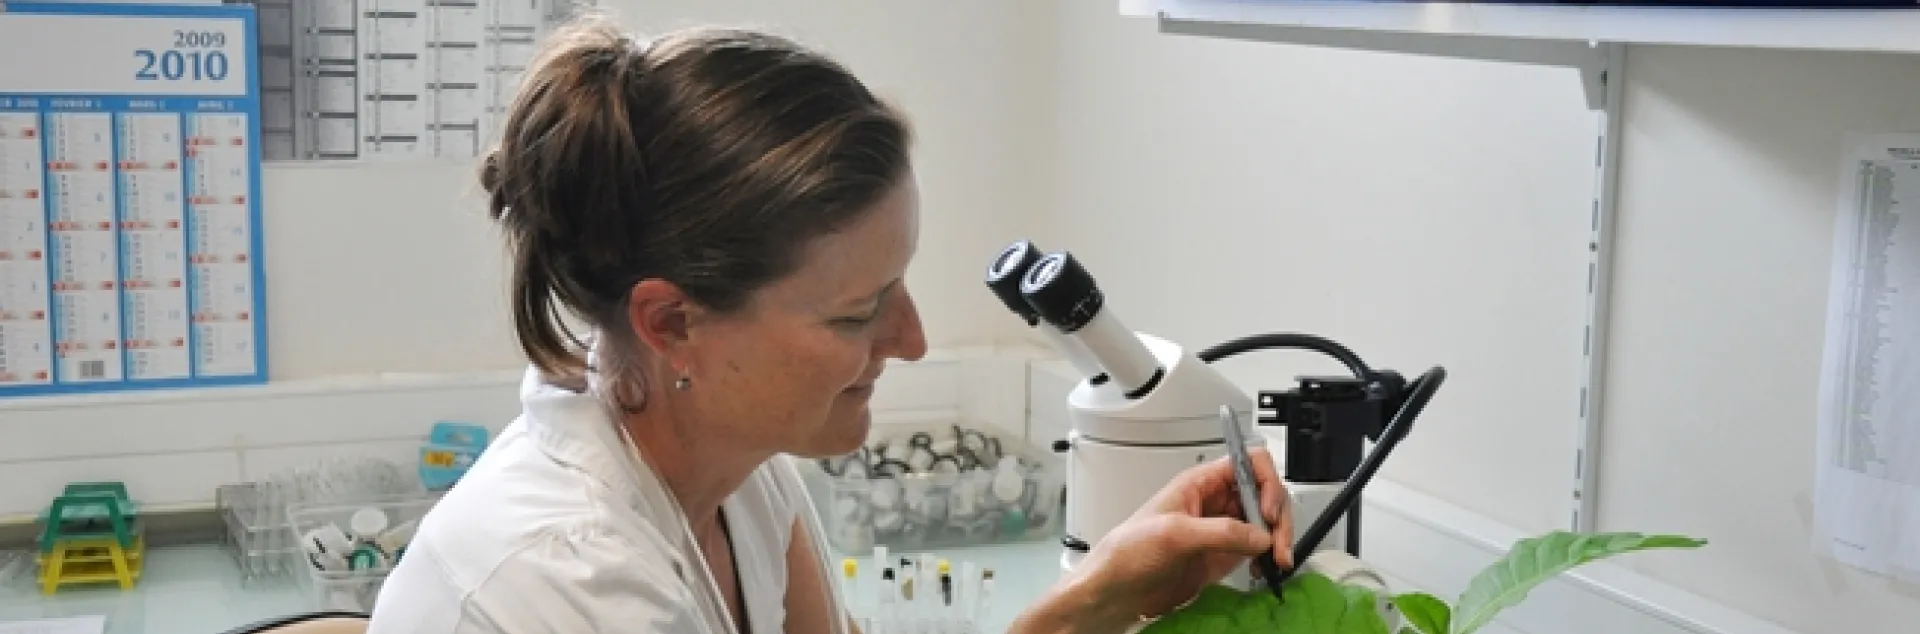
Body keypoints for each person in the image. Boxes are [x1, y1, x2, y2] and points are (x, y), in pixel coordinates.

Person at [366, 12, 1295, 634]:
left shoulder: (732, 468)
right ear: (671, 321)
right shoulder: (566, 580)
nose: (912, 340)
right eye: (859, 312)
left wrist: (1101, 595)